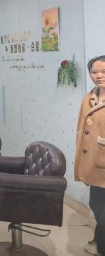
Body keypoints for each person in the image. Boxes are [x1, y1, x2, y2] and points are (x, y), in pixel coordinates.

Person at [75, 56, 105, 256]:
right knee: (96, 204)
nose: (99, 75)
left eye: (104, 71)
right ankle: (98, 241)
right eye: (94, 72)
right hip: (95, 163)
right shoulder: (90, 97)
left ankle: (100, 245)